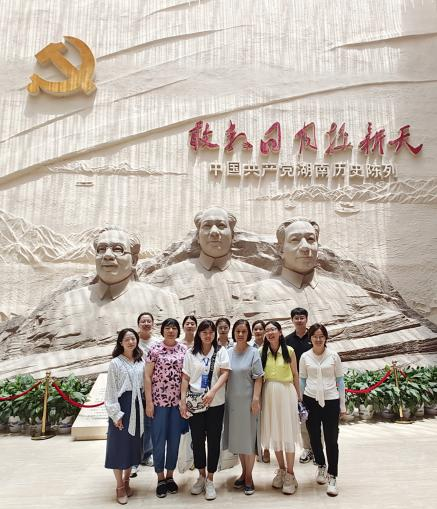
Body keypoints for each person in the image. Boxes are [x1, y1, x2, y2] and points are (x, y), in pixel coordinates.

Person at [144, 208, 269, 320]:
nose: (214, 232)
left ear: (233, 236)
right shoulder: (166, 277)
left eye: (221, 225)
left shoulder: (260, 278)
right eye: (207, 226)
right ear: (198, 237)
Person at [180, 319, 230, 500]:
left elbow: (225, 373)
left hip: (216, 403)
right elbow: (185, 377)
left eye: (211, 332)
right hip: (195, 403)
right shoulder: (190, 353)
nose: (208, 335)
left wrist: (213, 391)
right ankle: (201, 476)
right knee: (198, 440)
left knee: (214, 441)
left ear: (215, 334)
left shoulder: (221, 351)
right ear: (199, 334)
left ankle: (210, 479)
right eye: (204, 332)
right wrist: (182, 400)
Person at [300, 323, 346, 497]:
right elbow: (302, 380)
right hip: (311, 400)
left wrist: (342, 405)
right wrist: (300, 403)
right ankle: (321, 465)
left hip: (331, 400)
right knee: (314, 437)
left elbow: (340, 380)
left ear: (326, 338)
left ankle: (332, 476)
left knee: (331, 439)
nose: (318, 339)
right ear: (310, 338)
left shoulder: (333, 356)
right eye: (315, 336)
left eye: (321, 336)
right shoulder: (305, 356)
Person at [145, 318, 187, 498]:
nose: (171, 331)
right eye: (168, 328)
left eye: (174, 328)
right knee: (158, 440)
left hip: (177, 404)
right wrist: (149, 402)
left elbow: (186, 376)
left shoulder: (184, 350)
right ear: (162, 330)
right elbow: (147, 377)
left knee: (175, 440)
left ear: (178, 331)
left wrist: (184, 401)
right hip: (159, 403)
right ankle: (160, 478)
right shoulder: (154, 349)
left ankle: (170, 476)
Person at [260, 320, 301, 495]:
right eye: (267, 330)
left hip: (286, 393)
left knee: (288, 433)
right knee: (275, 433)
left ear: (280, 332)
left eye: (273, 329)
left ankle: (291, 474)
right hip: (269, 394)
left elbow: (295, 374)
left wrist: (299, 396)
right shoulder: (261, 352)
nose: (270, 333)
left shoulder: (289, 351)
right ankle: (282, 470)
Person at [104, 328, 145, 505]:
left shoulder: (141, 360)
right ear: (120, 342)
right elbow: (111, 391)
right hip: (122, 406)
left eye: (133, 338)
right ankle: (119, 486)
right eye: (127, 339)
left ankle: (127, 481)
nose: (130, 342)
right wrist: (116, 414)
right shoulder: (115, 363)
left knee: (133, 446)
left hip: (138, 405)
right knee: (118, 446)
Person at [223, 319, 263, 495]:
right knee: (239, 440)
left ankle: (249, 477)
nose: (240, 334)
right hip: (232, 403)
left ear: (248, 333)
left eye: (244, 331)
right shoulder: (227, 353)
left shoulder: (253, 352)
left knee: (249, 441)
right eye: (238, 331)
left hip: (248, 403)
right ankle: (243, 472)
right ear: (234, 333)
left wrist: (255, 399)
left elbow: (259, 378)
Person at [130, 312, 160, 478]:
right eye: (143, 321)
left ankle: (147, 455)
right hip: (135, 389)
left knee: (149, 425)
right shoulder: (133, 341)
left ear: (153, 324)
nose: (146, 323)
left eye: (149, 321)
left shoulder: (157, 342)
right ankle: (134, 460)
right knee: (135, 426)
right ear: (138, 324)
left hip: (152, 389)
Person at [285, 307, 314, 464]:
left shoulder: (314, 336)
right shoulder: (287, 340)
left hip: (314, 383)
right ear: (292, 320)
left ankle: (318, 449)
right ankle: (307, 448)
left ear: (306, 319)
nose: (299, 320)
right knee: (303, 417)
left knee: (316, 418)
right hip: (296, 385)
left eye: (302, 317)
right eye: (296, 318)